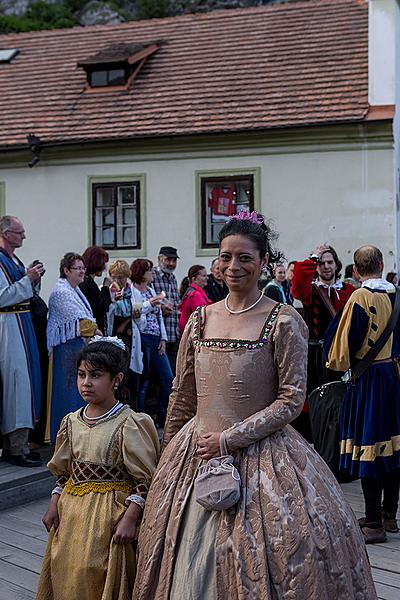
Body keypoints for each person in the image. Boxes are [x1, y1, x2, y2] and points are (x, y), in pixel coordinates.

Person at [133, 212, 376, 600]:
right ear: (217, 262)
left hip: (264, 457)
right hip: (195, 455)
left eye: (245, 258)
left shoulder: (283, 320)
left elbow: (291, 400)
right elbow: (182, 394)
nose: (234, 266)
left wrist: (229, 440)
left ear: (264, 262)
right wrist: (167, 458)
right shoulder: (200, 319)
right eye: (226, 257)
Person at [36, 337, 159, 600]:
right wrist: (54, 503)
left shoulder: (130, 423)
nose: (86, 383)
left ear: (117, 379)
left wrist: (130, 517)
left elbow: (145, 479)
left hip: (109, 518)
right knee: (66, 570)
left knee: (96, 573)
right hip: (70, 516)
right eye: (81, 375)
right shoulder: (71, 422)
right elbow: (64, 473)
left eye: (96, 375)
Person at [325, 245, 400, 544]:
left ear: (355, 271)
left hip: (368, 380)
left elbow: (342, 349)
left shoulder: (360, 297)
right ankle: (389, 515)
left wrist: (339, 367)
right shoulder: (397, 295)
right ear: (381, 265)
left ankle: (372, 523)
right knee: (393, 448)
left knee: (370, 447)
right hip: (394, 378)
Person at [291, 245, 355, 440]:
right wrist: (313, 257)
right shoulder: (311, 291)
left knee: (341, 395)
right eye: (322, 263)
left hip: (341, 352)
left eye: (330, 262)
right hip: (317, 354)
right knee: (318, 397)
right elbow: (298, 279)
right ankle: (319, 437)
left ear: (336, 265)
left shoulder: (349, 290)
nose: (326, 266)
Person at [0, 216, 43, 467]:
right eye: (20, 232)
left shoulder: (12, 259)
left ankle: (19, 444)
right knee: (17, 385)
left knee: (24, 382)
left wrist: (32, 279)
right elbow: (3, 296)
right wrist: (28, 279)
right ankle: (16, 447)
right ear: (6, 233)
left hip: (21, 323)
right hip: (9, 326)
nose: (23, 237)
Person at [46, 253, 99, 442]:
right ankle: (63, 436)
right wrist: (96, 330)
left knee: (76, 392)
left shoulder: (74, 290)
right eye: (78, 268)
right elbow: (80, 322)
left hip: (76, 346)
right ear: (66, 270)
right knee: (66, 392)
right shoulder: (61, 292)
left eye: (83, 268)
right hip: (65, 348)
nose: (82, 271)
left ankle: (77, 434)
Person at [131, 259, 173, 427]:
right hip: (142, 337)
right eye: (149, 271)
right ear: (141, 273)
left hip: (155, 337)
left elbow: (159, 316)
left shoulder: (150, 289)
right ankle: (140, 420)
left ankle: (163, 419)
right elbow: (136, 313)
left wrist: (163, 338)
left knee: (168, 379)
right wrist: (150, 303)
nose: (152, 273)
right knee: (144, 380)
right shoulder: (133, 290)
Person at [152, 246, 180, 375]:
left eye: (174, 260)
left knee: (173, 373)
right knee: (162, 376)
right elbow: (147, 301)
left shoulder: (172, 278)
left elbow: (176, 302)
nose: (171, 264)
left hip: (173, 332)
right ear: (159, 259)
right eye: (168, 260)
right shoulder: (152, 275)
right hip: (159, 335)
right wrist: (161, 308)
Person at [79, 246, 111, 334]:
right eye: (103, 263)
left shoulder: (86, 281)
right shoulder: (88, 284)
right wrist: (106, 287)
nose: (104, 267)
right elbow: (101, 308)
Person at [178, 264, 212, 333]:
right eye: (204, 276)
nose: (207, 278)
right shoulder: (195, 295)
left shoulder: (190, 292)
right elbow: (202, 317)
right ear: (194, 279)